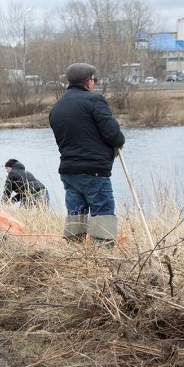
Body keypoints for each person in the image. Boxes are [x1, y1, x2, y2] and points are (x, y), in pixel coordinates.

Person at [48, 62, 125, 244]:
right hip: (94, 170)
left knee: (76, 215)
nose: (94, 83)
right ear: (88, 81)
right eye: (94, 79)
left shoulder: (57, 107)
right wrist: (118, 142)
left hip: (68, 170)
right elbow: (113, 134)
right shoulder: (94, 100)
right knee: (102, 213)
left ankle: (75, 253)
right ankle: (102, 256)